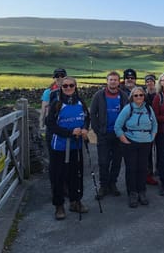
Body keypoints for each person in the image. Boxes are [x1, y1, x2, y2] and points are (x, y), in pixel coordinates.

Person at [46, 77, 90, 219]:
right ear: (61, 87)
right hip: (59, 146)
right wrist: (69, 133)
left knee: (76, 175)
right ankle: (59, 206)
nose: (68, 88)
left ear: (75, 86)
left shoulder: (81, 102)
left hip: (76, 146)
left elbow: (87, 118)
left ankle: (75, 201)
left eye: (71, 85)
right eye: (65, 86)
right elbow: (51, 125)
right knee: (58, 177)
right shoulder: (56, 104)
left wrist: (84, 129)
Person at [115, 87, 158, 208]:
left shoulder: (148, 109)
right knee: (131, 169)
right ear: (132, 97)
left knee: (143, 169)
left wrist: (152, 137)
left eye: (141, 95)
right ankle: (132, 194)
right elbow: (117, 126)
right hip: (131, 142)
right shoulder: (128, 108)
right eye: (136, 95)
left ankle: (142, 192)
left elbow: (155, 124)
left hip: (145, 143)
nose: (139, 97)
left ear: (144, 96)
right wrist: (124, 140)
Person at [90, 71, 129, 198]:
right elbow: (93, 114)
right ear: (107, 81)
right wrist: (97, 130)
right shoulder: (99, 95)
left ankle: (113, 184)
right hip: (104, 134)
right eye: (111, 79)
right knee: (103, 161)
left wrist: (124, 131)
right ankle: (103, 186)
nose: (113, 82)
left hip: (119, 134)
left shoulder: (123, 96)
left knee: (117, 161)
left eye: (115, 80)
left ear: (119, 82)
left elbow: (128, 114)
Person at [40, 68, 67, 146]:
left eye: (62, 75)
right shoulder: (48, 92)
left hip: (66, 123)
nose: (59, 78)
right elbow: (43, 110)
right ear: (54, 78)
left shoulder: (70, 89)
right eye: (57, 76)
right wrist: (42, 126)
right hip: (52, 124)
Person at [144, 74, 158, 186]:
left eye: (151, 81)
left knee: (160, 150)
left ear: (154, 82)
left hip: (160, 124)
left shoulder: (159, 94)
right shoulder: (143, 95)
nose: (149, 83)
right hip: (147, 127)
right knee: (148, 151)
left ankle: (158, 169)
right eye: (147, 81)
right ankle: (149, 173)